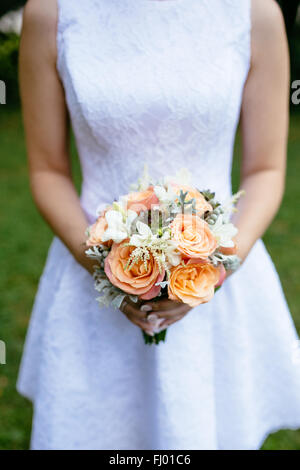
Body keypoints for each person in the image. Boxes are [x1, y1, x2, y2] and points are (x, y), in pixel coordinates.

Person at [17, 0, 300, 450]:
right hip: (89, 278)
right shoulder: (51, 12)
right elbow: (47, 169)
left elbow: (266, 169)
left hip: (218, 276)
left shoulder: (253, 12)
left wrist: (215, 268)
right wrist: (103, 264)